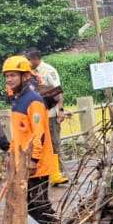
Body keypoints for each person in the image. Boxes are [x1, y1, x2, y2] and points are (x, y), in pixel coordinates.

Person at [2, 55, 59, 224]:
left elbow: (39, 133)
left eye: (13, 75)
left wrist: (34, 159)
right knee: (29, 203)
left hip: (37, 163)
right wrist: (10, 153)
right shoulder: (17, 100)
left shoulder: (33, 100)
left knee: (38, 203)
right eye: (7, 76)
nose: (9, 79)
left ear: (25, 76)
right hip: (23, 161)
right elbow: (18, 134)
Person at [26, 50, 68, 186]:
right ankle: (50, 173)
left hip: (50, 114)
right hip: (38, 115)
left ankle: (59, 173)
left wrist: (60, 110)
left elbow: (58, 90)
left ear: (35, 59)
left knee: (55, 143)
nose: (28, 63)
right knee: (42, 145)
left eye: (29, 60)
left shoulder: (48, 70)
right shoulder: (30, 74)